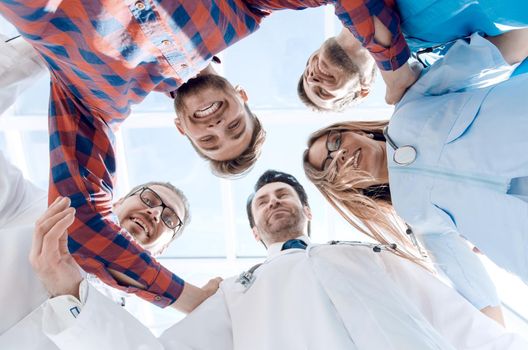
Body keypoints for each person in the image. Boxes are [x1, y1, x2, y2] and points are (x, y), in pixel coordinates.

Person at [0, 0, 426, 309]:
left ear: (181, 128)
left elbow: (84, 230)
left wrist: (189, 299)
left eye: (209, 140)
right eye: (235, 127)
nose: (216, 124)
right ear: (241, 96)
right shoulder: (241, 10)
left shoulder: (93, 106)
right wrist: (396, 72)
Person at [28, 170, 528, 349]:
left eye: (283, 194)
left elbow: (466, 331)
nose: (274, 201)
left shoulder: (375, 253)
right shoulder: (235, 290)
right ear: (253, 228)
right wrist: (71, 297)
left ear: (306, 210)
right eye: (263, 200)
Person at [0, 35, 220, 349]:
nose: (155, 212)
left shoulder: (126, 331)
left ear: (160, 252)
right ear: (116, 201)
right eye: (148, 197)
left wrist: (71, 299)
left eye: (170, 219)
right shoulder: (32, 206)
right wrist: (51, 43)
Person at [303, 29, 528, 324]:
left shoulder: (412, 104)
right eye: (330, 167)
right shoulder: (417, 216)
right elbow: (476, 289)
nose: (340, 156)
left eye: (334, 143)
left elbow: (485, 58)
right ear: (347, 188)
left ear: (352, 131)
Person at [299, 0, 528, 111]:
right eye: (321, 92)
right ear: (362, 91)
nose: (312, 78)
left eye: (305, 71)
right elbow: (517, 44)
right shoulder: (438, 61)